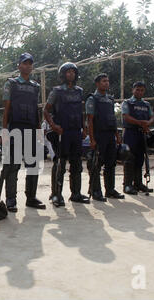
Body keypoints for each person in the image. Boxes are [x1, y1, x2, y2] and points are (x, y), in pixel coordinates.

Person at [0, 53, 46, 212]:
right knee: (13, 166)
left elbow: (36, 111)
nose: (27, 66)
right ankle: (11, 200)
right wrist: (4, 131)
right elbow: (6, 110)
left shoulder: (36, 86)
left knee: (33, 166)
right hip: (15, 129)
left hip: (32, 129)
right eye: (24, 63)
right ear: (19, 66)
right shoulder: (11, 84)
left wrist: (40, 132)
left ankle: (31, 198)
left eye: (30, 64)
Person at [43, 62, 90, 207]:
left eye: (73, 72)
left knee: (76, 164)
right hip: (62, 132)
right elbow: (46, 110)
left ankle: (76, 193)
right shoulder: (57, 91)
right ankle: (56, 194)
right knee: (60, 163)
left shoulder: (79, 91)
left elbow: (81, 112)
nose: (71, 74)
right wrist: (53, 125)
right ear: (63, 75)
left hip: (75, 132)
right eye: (68, 72)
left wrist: (84, 129)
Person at [85, 73, 124, 202]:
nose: (106, 83)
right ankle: (96, 190)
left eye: (107, 81)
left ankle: (110, 190)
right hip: (98, 134)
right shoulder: (92, 99)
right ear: (97, 84)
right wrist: (92, 139)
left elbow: (112, 119)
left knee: (111, 163)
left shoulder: (110, 99)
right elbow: (90, 120)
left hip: (109, 135)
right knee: (96, 164)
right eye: (103, 81)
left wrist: (117, 136)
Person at [121, 82, 154, 195]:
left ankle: (138, 183)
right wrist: (140, 123)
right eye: (137, 89)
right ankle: (127, 185)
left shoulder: (146, 104)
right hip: (131, 133)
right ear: (133, 90)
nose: (139, 92)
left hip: (142, 134)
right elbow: (126, 117)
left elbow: (152, 117)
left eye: (142, 90)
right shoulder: (127, 103)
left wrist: (147, 123)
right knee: (129, 159)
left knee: (140, 160)